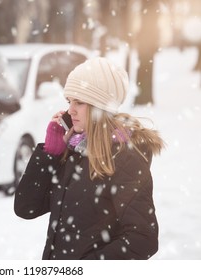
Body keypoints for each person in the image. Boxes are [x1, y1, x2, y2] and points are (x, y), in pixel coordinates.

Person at [14, 57, 165, 260]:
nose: (70, 111)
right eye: (69, 102)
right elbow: (26, 208)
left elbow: (142, 239)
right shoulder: (74, 151)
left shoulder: (125, 158)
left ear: (99, 106)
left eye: (79, 102)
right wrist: (50, 152)